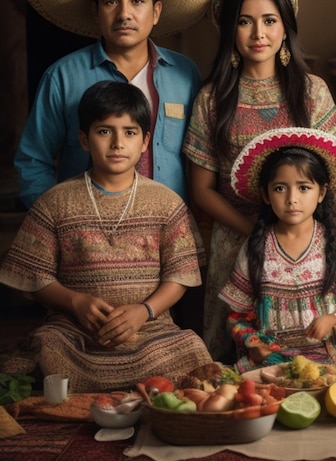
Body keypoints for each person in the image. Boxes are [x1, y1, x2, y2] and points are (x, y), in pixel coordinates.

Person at [0, 81, 213, 392]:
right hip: (75, 332)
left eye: (129, 132)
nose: (117, 143)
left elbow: (180, 275)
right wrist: (75, 302)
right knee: (46, 347)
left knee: (190, 348)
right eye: (104, 131)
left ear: (145, 141)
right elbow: (33, 276)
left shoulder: (167, 203)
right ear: (84, 139)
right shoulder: (55, 201)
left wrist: (145, 311)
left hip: (149, 331)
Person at [182, 0, 336, 361]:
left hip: (305, 240)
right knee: (235, 349)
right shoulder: (212, 98)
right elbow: (201, 188)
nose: (259, 34)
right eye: (245, 22)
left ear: (286, 27)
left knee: (308, 348)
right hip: (236, 240)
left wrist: (293, 232)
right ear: (230, 31)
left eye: (270, 20)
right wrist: (257, 232)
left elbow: (333, 175)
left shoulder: (311, 92)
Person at [15, 0, 217, 209]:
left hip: (166, 229)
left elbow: (200, 159)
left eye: (137, 1)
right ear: (95, 11)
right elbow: (33, 160)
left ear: (156, 11)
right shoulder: (62, 76)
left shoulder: (184, 75)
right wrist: (57, 222)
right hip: (86, 232)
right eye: (111, 2)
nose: (124, 14)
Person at [217, 127, 336, 373]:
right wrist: (253, 344)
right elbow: (238, 315)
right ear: (265, 194)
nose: (292, 198)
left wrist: (333, 319)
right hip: (271, 359)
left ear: (321, 193)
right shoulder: (255, 248)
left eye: (304, 188)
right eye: (280, 188)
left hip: (327, 357)